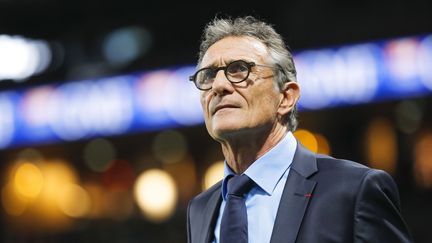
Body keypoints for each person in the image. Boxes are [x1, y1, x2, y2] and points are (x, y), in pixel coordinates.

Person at [186, 15, 412, 243]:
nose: (219, 86)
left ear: (286, 97)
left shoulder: (354, 190)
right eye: (209, 75)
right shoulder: (200, 209)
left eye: (239, 69)